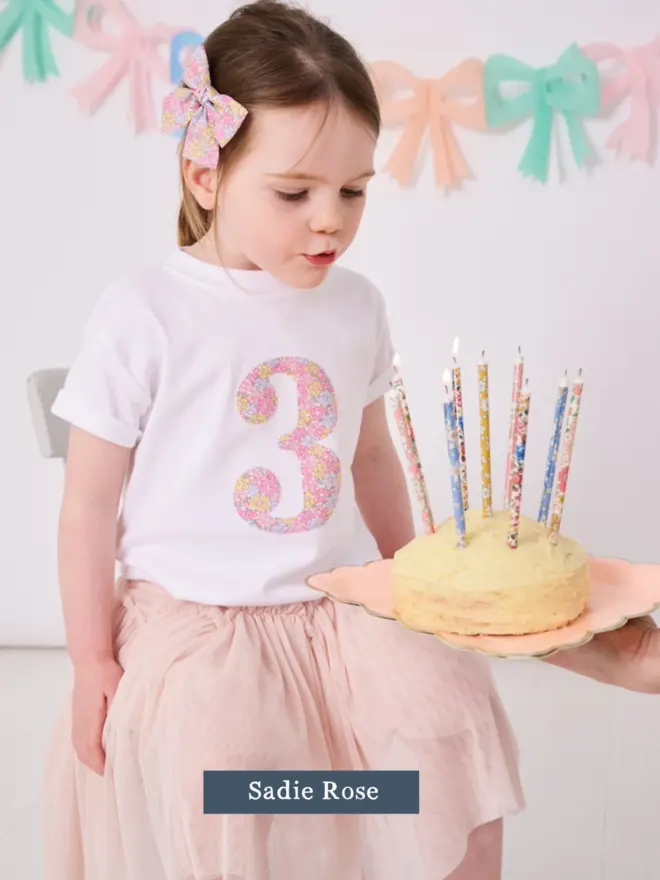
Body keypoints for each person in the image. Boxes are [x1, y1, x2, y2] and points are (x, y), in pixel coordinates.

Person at [41, 2, 660, 879]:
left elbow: (368, 455)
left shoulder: (353, 305)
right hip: (197, 617)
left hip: (341, 599)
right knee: (235, 767)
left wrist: (420, 577)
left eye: (354, 190)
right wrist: (90, 656)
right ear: (206, 173)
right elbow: (87, 505)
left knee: (449, 714)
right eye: (295, 193)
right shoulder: (145, 312)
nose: (330, 218)